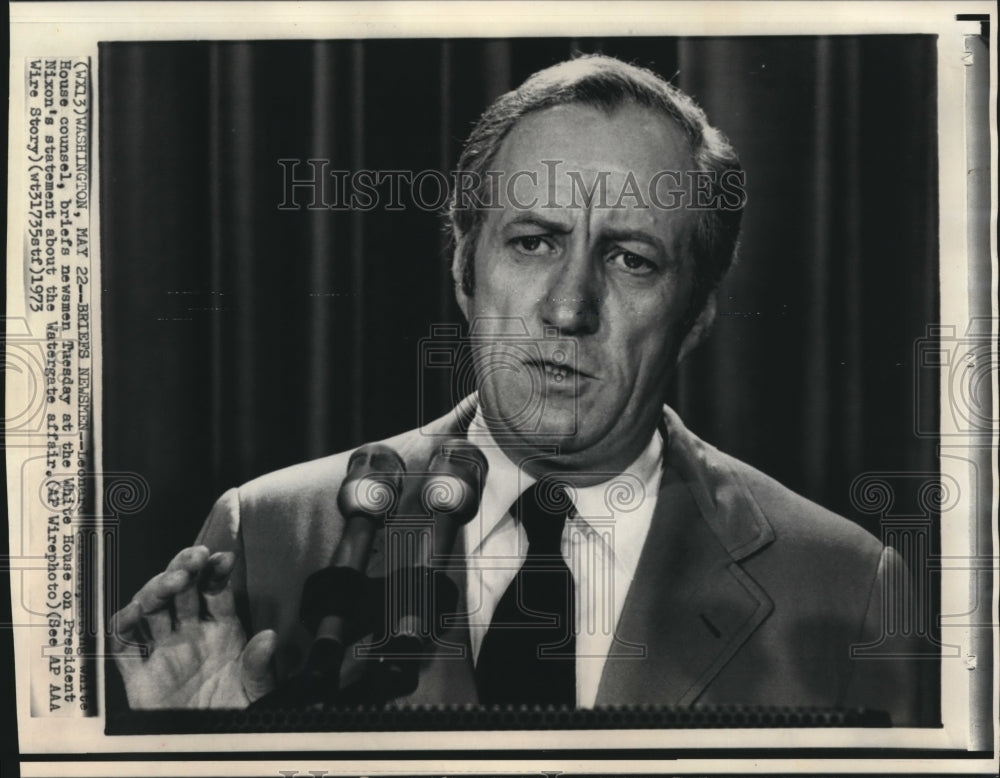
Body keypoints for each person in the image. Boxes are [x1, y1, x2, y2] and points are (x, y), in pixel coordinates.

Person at [111, 54, 921, 723]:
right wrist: (193, 751)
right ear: (464, 269)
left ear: (698, 315)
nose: (569, 308)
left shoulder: (848, 587)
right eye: (533, 242)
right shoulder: (269, 538)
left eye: (631, 259)